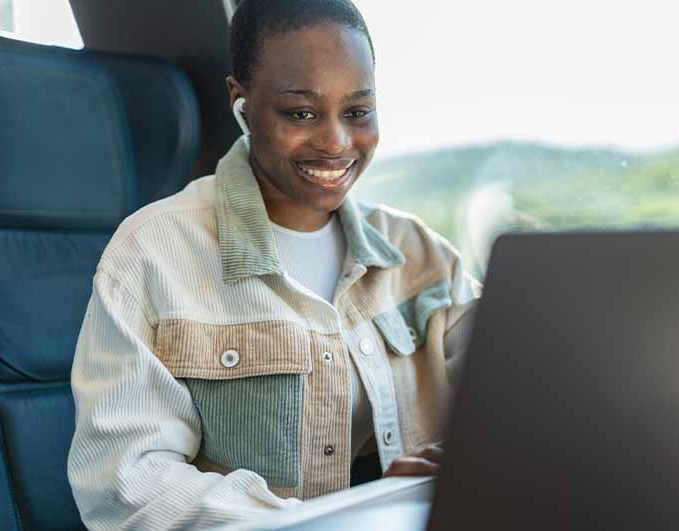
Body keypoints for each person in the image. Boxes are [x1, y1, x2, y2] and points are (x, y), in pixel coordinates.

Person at [66, 0, 481, 529]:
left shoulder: (419, 253)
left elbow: (516, 387)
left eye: (357, 112)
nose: (335, 143)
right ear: (241, 103)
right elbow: (128, 484)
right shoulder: (152, 254)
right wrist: (325, 522)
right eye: (300, 113)